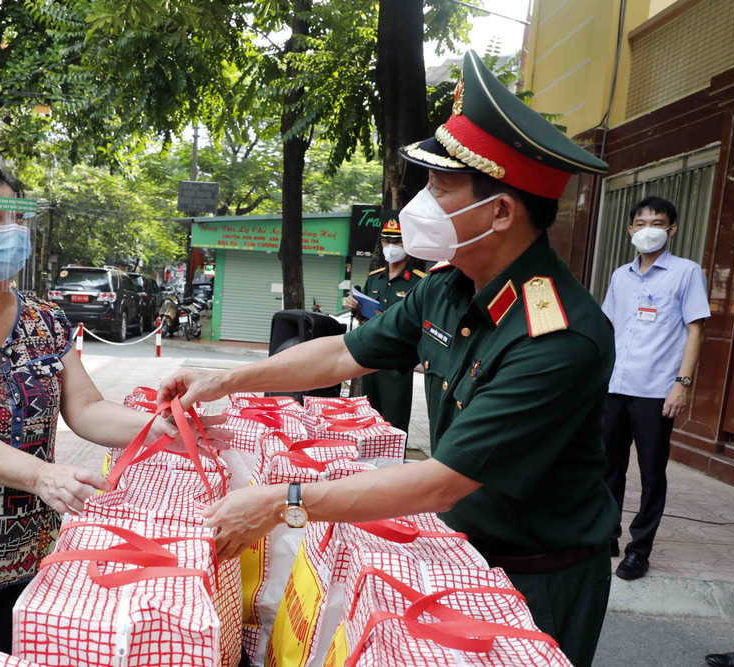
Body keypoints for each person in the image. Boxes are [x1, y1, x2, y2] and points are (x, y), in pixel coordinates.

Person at [158, 50, 619, 667]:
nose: (419, 205)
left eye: (440, 188)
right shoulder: (449, 285)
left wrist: (281, 501)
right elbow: (342, 354)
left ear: (501, 212)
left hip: (539, 577)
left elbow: (440, 482)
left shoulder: (557, 338)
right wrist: (226, 380)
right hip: (464, 551)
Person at [0, 164, 229, 666]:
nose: (8, 232)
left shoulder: (46, 319)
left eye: (16, 219)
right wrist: (41, 475)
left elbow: (87, 409)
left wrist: (160, 428)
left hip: (31, 555)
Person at [601, 196, 710, 581]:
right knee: (607, 467)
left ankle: (639, 550)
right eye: (642, 223)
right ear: (631, 229)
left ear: (672, 229)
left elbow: (695, 330)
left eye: (658, 223)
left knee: (651, 473)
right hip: (615, 386)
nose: (649, 230)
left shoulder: (686, 272)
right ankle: (607, 535)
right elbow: (609, 328)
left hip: (656, 390)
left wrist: (682, 384)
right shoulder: (620, 276)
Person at [344, 216, 426, 432]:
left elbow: (421, 323)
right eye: (386, 241)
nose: (391, 246)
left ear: (407, 244)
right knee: (369, 419)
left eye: (397, 241)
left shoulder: (419, 281)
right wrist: (356, 308)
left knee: (394, 423)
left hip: (397, 362)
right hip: (371, 359)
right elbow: (364, 319)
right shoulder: (375, 278)